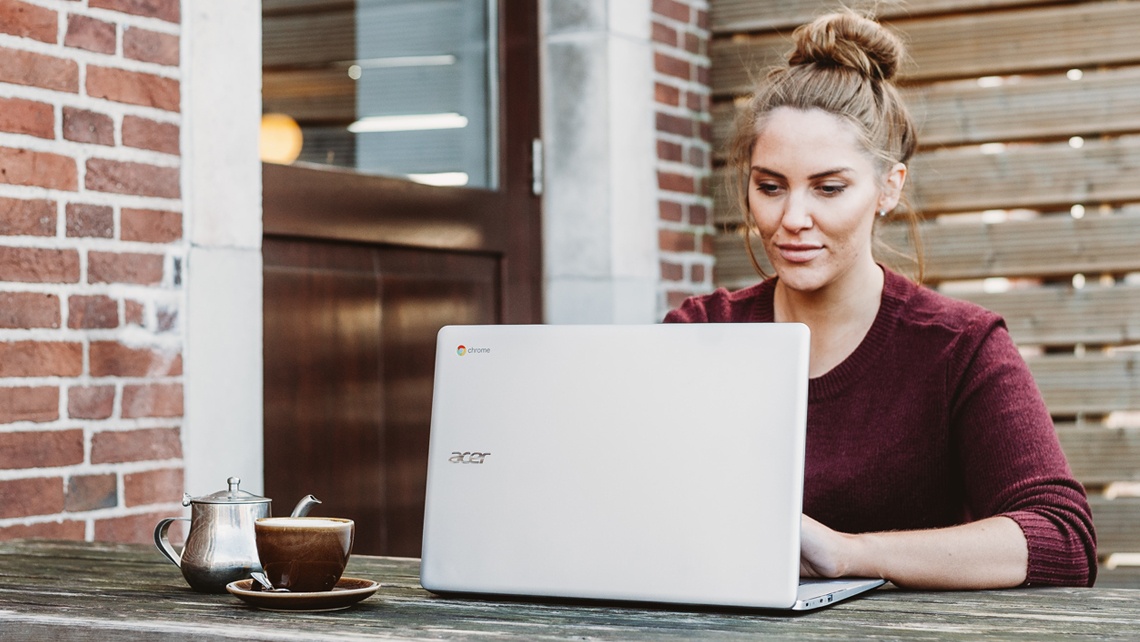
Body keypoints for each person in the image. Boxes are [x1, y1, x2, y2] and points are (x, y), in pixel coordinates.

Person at [664, 10, 1096, 588]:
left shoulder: (959, 346)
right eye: (770, 187)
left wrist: (849, 554)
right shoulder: (700, 330)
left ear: (888, 188)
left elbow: (1063, 539)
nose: (792, 219)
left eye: (829, 188)